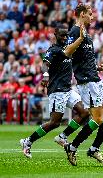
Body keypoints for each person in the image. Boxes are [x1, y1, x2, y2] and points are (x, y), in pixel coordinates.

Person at [19, 23, 89, 158]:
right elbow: (45, 65)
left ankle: (62, 137)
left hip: (67, 89)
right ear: (55, 35)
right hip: (57, 90)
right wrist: (45, 75)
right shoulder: (53, 49)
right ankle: (28, 141)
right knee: (55, 122)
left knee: (84, 112)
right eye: (62, 35)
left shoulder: (68, 48)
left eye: (66, 35)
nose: (64, 37)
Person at [62, 3, 103, 166]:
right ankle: (72, 147)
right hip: (86, 81)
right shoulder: (74, 32)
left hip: (95, 78)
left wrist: (97, 67)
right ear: (82, 14)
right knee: (98, 119)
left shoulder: (86, 33)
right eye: (90, 14)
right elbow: (67, 52)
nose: (92, 17)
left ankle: (94, 149)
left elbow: (83, 59)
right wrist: (79, 38)